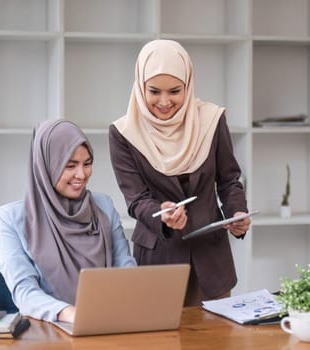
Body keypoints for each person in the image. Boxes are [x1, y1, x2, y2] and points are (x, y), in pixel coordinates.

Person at [109, 39, 251, 306]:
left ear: (188, 85)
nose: (164, 102)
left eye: (175, 91)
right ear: (140, 87)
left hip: (211, 262)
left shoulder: (211, 120)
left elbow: (229, 180)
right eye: (154, 91)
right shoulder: (123, 133)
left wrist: (237, 213)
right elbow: (136, 200)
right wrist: (161, 215)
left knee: (215, 344)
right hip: (158, 260)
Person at [0, 119, 136, 323]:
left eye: (87, 164)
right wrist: (71, 313)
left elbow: (125, 268)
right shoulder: (11, 219)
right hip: (48, 329)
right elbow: (24, 293)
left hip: (106, 322)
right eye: (70, 166)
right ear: (46, 166)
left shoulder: (103, 206)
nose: (81, 175)